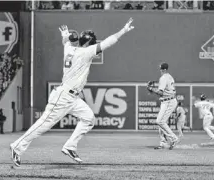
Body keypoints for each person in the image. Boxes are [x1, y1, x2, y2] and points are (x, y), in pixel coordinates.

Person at [10, 18, 135, 167]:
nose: (95, 45)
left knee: (89, 119)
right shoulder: (86, 52)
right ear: (89, 43)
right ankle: (17, 147)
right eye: (94, 42)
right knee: (43, 125)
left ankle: (70, 146)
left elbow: (66, 42)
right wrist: (123, 30)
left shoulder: (69, 49)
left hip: (72, 97)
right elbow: (109, 42)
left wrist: (64, 35)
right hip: (63, 97)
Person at [147, 62, 179, 150]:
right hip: (167, 100)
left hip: (169, 101)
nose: (160, 69)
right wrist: (154, 89)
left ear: (164, 69)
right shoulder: (169, 76)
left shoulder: (164, 78)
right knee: (161, 122)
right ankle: (163, 143)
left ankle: (174, 138)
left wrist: (151, 89)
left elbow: (160, 92)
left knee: (159, 121)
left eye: (161, 68)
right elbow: (163, 91)